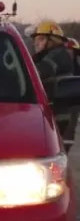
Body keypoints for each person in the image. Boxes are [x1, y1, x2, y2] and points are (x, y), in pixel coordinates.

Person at [25, 20, 78, 151]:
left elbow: (37, 73)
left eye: (41, 39)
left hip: (57, 114)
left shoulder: (57, 55)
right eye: (36, 39)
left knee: (53, 153)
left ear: (52, 40)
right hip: (51, 113)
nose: (36, 43)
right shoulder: (50, 55)